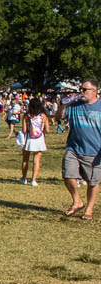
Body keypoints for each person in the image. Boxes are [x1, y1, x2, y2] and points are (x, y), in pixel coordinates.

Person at [60, 79, 101, 220]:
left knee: (93, 182)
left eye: (84, 90)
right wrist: (64, 105)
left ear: (94, 91)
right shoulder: (74, 105)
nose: (81, 92)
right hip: (73, 148)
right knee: (68, 175)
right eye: (80, 89)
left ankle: (89, 209)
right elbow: (59, 117)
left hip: (94, 151)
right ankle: (77, 201)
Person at [19, 98, 50, 186]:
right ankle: (34, 180)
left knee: (25, 159)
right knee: (36, 160)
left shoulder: (27, 116)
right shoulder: (43, 116)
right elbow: (47, 130)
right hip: (39, 139)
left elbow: (24, 130)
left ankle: (24, 178)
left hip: (29, 138)